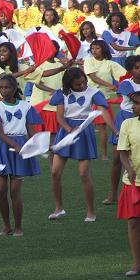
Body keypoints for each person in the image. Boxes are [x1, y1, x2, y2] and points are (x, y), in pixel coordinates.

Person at [48, 67, 118, 222]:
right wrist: (69, 130)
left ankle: (91, 212)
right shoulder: (62, 93)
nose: (82, 86)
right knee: (55, 173)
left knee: (84, 174)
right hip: (66, 132)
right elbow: (59, 117)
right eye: (77, 84)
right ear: (69, 83)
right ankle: (59, 208)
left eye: (83, 82)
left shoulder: (94, 92)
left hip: (84, 132)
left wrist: (114, 130)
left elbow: (103, 111)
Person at [0, 75, 42, 236]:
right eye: (1, 87)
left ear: (15, 88)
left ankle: (18, 226)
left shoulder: (26, 106)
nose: (3, 91)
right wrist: (15, 145)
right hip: (3, 149)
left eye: (7, 87)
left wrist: (37, 143)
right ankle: (6, 225)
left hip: (21, 150)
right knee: (1, 190)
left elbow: (31, 130)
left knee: (15, 191)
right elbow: (0, 133)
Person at [104, 55, 140, 205]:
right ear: (130, 70)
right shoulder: (125, 83)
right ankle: (113, 193)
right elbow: (135, 98)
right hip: (125, 119)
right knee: (118, 157)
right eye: (137, 68)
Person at [84, 40, 126, 160]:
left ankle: (104, 154)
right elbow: (93, 78)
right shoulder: (89, 61)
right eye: (92, 48)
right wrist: (110, 85)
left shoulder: (110, 64)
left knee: (102, 126)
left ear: (103, 49)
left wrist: (121, 87)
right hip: (91, 97)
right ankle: (114, 137)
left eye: (97, 48)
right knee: (101, 126)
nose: (94, 51)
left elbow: (123, 76)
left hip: (104, 98)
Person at [116, 91, 140, 277]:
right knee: (133, 223)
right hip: (133, 182)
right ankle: (136, 263)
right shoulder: (127, 124)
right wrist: (129, 168)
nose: (134, 107)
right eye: (133, 103)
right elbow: (123, 152)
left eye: (138, 103)